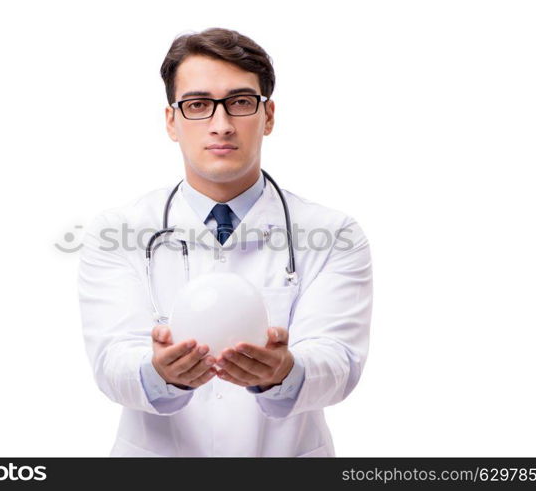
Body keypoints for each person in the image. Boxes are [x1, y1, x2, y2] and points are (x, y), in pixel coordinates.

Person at [77, 27, 373, 457]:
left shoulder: (336, 235)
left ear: (268, 116)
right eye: (198, 105)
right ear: (171, 121)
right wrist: (159, 372)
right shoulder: (116, 232)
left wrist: (284, 372)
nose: (221, 125)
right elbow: (111, 363)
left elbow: (340, 362)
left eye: (240, 103)